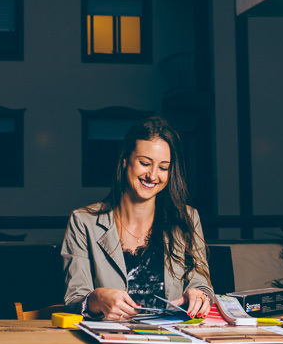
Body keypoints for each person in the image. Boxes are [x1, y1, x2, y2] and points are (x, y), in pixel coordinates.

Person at [62, 117, 213, 320]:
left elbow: (201, 284)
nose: (152, 175)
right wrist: (95, 299)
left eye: (163, 167)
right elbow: (74, 299)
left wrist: (199, 295)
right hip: (109, 343)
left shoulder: (187, 219)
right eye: (144, 163)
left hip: (172, 341)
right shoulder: (83, 222)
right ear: (125, 161)